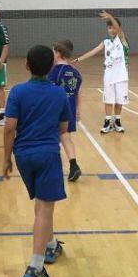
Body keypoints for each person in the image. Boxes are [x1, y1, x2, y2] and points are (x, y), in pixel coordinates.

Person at [3, 45, 70, 277]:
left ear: (27, 66)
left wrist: (5, 159)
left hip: (23, 157)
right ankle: (35, 266)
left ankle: (50, 246)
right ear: (52, 67)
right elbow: (63, 129)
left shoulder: (18, 92)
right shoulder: (59, 94)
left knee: (41, 205)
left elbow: (9, 127)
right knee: (44, 209)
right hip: (47, 155)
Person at [73, 11, 129, 134]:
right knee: (108, 100)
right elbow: (93, 51)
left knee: (120, 100)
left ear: (118, 29)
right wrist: (78, 59)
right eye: (109, 28)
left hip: (121, 76)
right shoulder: (105, 42)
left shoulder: (122, 41)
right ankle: (108, 122)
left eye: (113, 27)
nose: (112, 30)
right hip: (109, 75)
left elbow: (118, 29)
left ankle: (117, 121)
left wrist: (110, 17)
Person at [48, 40, 82, 181]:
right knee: (66, 137)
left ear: (58, 54)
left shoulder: (54, 72)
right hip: (70, 108)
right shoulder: (75, 72)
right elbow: (78, 92)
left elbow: (49, 91)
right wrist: (78, 109)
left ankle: (51, 169)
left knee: (50, 139)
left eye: (54, 52)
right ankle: (73, 165)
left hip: (56, 110)